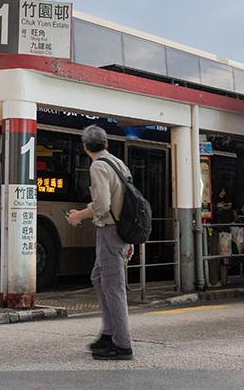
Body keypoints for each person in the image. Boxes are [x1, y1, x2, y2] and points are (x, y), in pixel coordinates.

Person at [65, 125, 134, 361]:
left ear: (85, 147)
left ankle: (122, 344)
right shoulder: (118, 163)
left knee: (114, 286)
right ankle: (108, 332)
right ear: (106, 144)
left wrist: (79, 215)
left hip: (110, 231)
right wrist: (130, 238)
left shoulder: (98, 166)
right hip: (120, 231)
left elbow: (102, 204)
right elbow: (127, 203)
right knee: (98, 277)